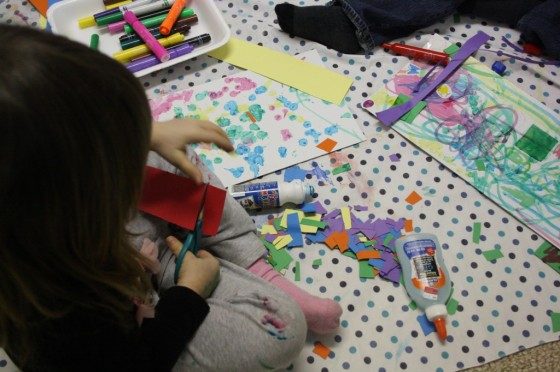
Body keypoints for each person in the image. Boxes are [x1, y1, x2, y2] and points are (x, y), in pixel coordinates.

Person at [0, 25, 342, 371]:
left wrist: (149, 135)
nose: (130, 151)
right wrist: (189, 290)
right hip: (142, 311)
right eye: (117, 149)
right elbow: (144, 359)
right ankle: (180, 264)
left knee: (169, 155)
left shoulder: (35, 191)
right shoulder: (61, 329)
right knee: (282, 329)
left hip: (119, 245)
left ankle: (252, 265)